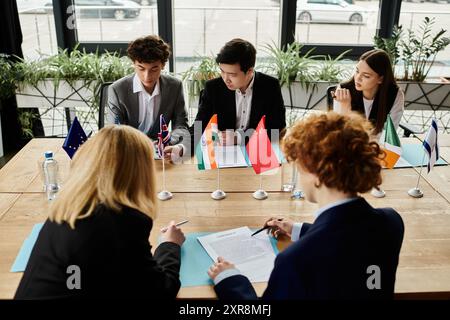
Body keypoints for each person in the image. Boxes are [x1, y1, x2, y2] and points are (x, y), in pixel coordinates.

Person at [208, 112, 404, 300]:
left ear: (316, 173)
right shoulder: (391, 222)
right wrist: (298, 229)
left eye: (299, 167)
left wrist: (230, 279)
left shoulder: (294, 261)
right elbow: (348, 242)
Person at [14, 125, 185, 299]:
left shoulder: (68, 207)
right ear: (140, 172)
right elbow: (161, 291)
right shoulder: (120, 222)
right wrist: (170, 244)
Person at [166, 38, 285, 157]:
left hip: (259, 156)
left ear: (249, 71)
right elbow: (199, 127)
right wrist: (181, 147)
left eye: (232, 74)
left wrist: (238, 138)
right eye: (222, 71)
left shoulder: (270, 86)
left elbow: (276, 127)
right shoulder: (213, 88)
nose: (225, 79)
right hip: (222, 158)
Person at [107, 35, 188, 160]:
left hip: (162, 154)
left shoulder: (175, 86)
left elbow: (181, 124)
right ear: (134, 64)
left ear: (163, 65)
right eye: (141, 68)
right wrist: (146, 144)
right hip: (130, 153)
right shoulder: (117, 90)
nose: (147, 76)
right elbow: (115, 130)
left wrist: (170, 141)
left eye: (154, 69)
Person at [333, 49, 404, 139]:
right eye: (357, 71)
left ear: (381, 79)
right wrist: (345, 107)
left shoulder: (395, 95)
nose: (358, 78)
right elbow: (339, 133)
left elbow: (388, 135)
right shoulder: (344, 90)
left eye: (366, 76)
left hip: (378, 148)